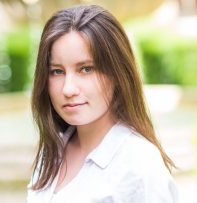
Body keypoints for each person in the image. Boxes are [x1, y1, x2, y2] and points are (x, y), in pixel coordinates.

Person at [27, 4, 179, 203]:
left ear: (117, 74)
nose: (68, 89)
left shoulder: (139, 165)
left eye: (86, 69)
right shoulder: (52, 152)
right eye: (57, 71)